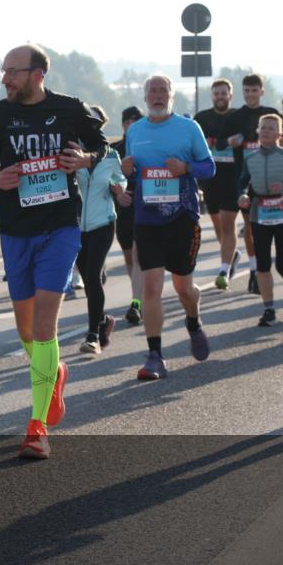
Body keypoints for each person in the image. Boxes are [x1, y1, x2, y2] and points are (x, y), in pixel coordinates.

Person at [0, 43, 107, 459]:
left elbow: (101, 146)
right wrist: (1, 179)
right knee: (26, 328)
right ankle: (55, 371)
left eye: (12, 71)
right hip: (16, 229)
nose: (5, 78)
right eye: (3, 71)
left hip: (60, 227)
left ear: (37, 73)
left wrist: (85, 159)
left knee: (44, 326)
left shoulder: (71, 109)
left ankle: (36, 427)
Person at [121, 75, 214, 380]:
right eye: (153, 91)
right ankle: (154, 356)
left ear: (172, 96)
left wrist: (186, 168)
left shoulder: (189, 128)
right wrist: (126, 173)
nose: (158, 96)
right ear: (145, 96)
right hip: (147, 220)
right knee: (151, 287)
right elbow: (132, 177)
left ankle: (193, 319)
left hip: (182, 218)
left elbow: (209, 167)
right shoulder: (135, 131)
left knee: (184, 288)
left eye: (163, 91)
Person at [219, 74, 283, 295]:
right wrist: (230, 142)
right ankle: (250, 270)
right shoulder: (235, 116)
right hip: (242, 176)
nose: (250, 94)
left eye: (254, 90)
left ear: (262, 91)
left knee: (253, 227)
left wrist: (282, 142)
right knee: (232, 225)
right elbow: (219, 142)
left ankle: (257, 273)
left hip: (268, 183)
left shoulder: (271, 114)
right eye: (246, 90)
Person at [236, 114, 283, 327]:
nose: (266, 131)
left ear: (279, 134)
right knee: (262, 264)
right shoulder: (249, 157)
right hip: (259, 212)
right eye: (263, 128)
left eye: (271, 128)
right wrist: (242, 195)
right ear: (258, 131)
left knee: (282, 265)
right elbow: (242, 182)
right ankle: (269, 309)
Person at [75, 105, 125, 354]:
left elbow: (120, 180)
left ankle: (93, 335)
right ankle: (104, 321)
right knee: (86, 277)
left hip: (103, 223)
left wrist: (119, 188)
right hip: (77, 226)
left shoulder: (111, 156)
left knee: (93, 275)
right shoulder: (73, 155)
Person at [194, 79, 241, 290]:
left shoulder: (238, 117)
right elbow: (198, 144)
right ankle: (231, 255)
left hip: (232, 176)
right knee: (218, 225)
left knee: (228, 223)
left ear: (230, 95)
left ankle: (223, 270)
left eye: (224, 93)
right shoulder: (202, 118)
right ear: (212, 96)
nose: (220, 96)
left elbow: (244, 139)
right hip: (210, 178)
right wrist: (222, 142)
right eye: (216, 93)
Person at [114, 106, 145, 325]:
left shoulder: (148, 145)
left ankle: (136, 302)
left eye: (137, 120)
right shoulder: (114, 149)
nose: (132, 124)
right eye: (128, 121)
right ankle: (139, 294)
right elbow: (106, 178)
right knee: (128, 257)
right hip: (123, 208)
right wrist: (118, 192)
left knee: (138, 255)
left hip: (145, 206)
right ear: (123, 124)